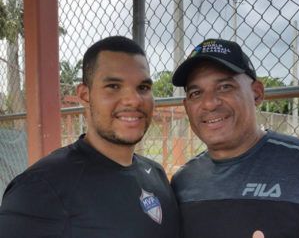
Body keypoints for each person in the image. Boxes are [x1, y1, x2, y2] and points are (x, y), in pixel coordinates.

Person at [0, 36, 179, 237]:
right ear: (85, 94)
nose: (134, 100)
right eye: (113, 86)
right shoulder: (41, 187)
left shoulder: (156, 174)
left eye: (143, 88)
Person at [170, 38, 299, 238]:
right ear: (187, 107)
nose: (210, 103)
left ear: (257, 93)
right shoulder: (182, 183)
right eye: (196, 93)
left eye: (225, 87)